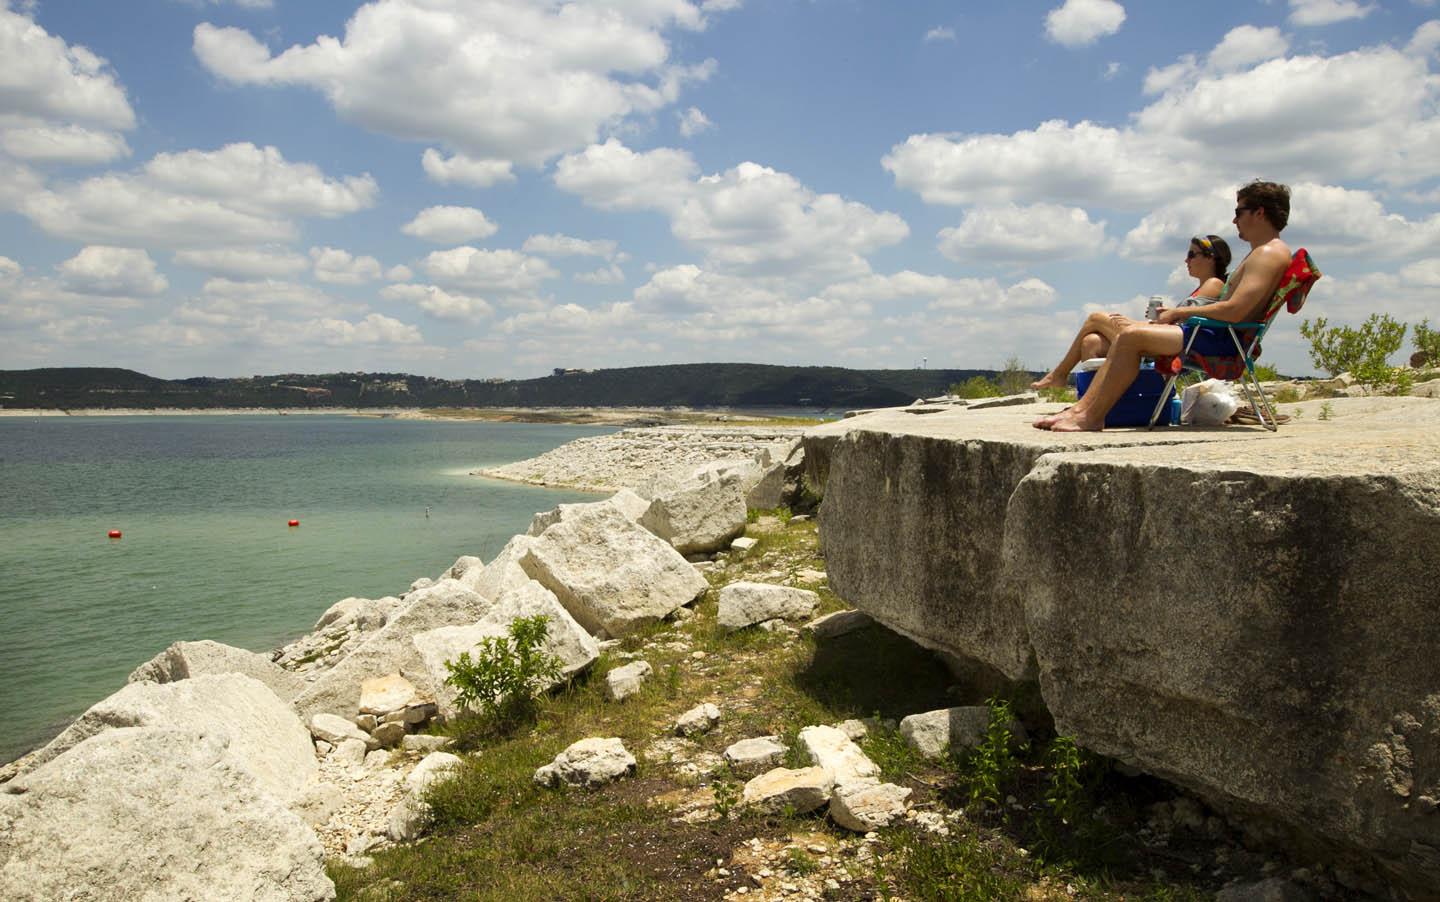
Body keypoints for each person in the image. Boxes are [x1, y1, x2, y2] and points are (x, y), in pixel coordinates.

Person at [1034, 181, 1292, 432]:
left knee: (1131, 336)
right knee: (1120, 335)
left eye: (1239, 212)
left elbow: (1236, 311)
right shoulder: (1265, 252)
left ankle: (1091, 416)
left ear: (1259, 212)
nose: (1234, 221)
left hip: (1221, 342)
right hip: (1214, 334)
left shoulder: (1268, 253)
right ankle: (1082, 411)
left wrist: (1180, 312)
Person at [1030, 234, 1232, 391]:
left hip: (1179, 345)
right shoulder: (1202, 288)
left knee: (1095, 318)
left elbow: (1186, 325)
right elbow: (1181, 321)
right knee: (1091, 342)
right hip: (1171, 339)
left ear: (1210, 258)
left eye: (1191, 254)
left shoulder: (1214, 283)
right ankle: (1101, 403)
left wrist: (1137, 325)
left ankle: (1060, 374)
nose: (1186, 260)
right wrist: (1144, 322)